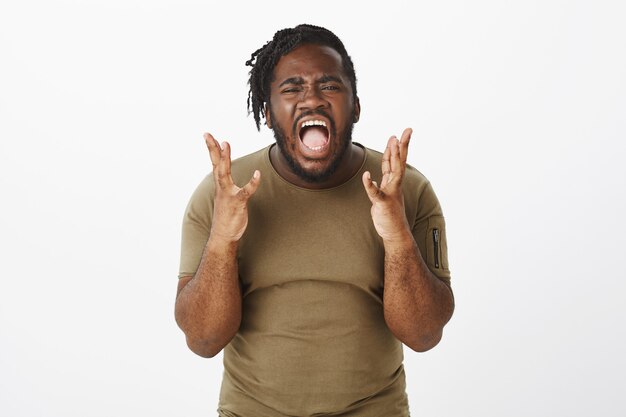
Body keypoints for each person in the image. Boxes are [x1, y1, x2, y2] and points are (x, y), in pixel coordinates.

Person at [175, 24, 454, 417]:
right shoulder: (223, 193)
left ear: (355, 106)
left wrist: (397, 237)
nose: (312, 100)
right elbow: (202, 341)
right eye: (291, 89)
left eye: (330, 86)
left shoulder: (405, 188)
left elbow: (425, 335)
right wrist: (222, 240)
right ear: (268, 112)